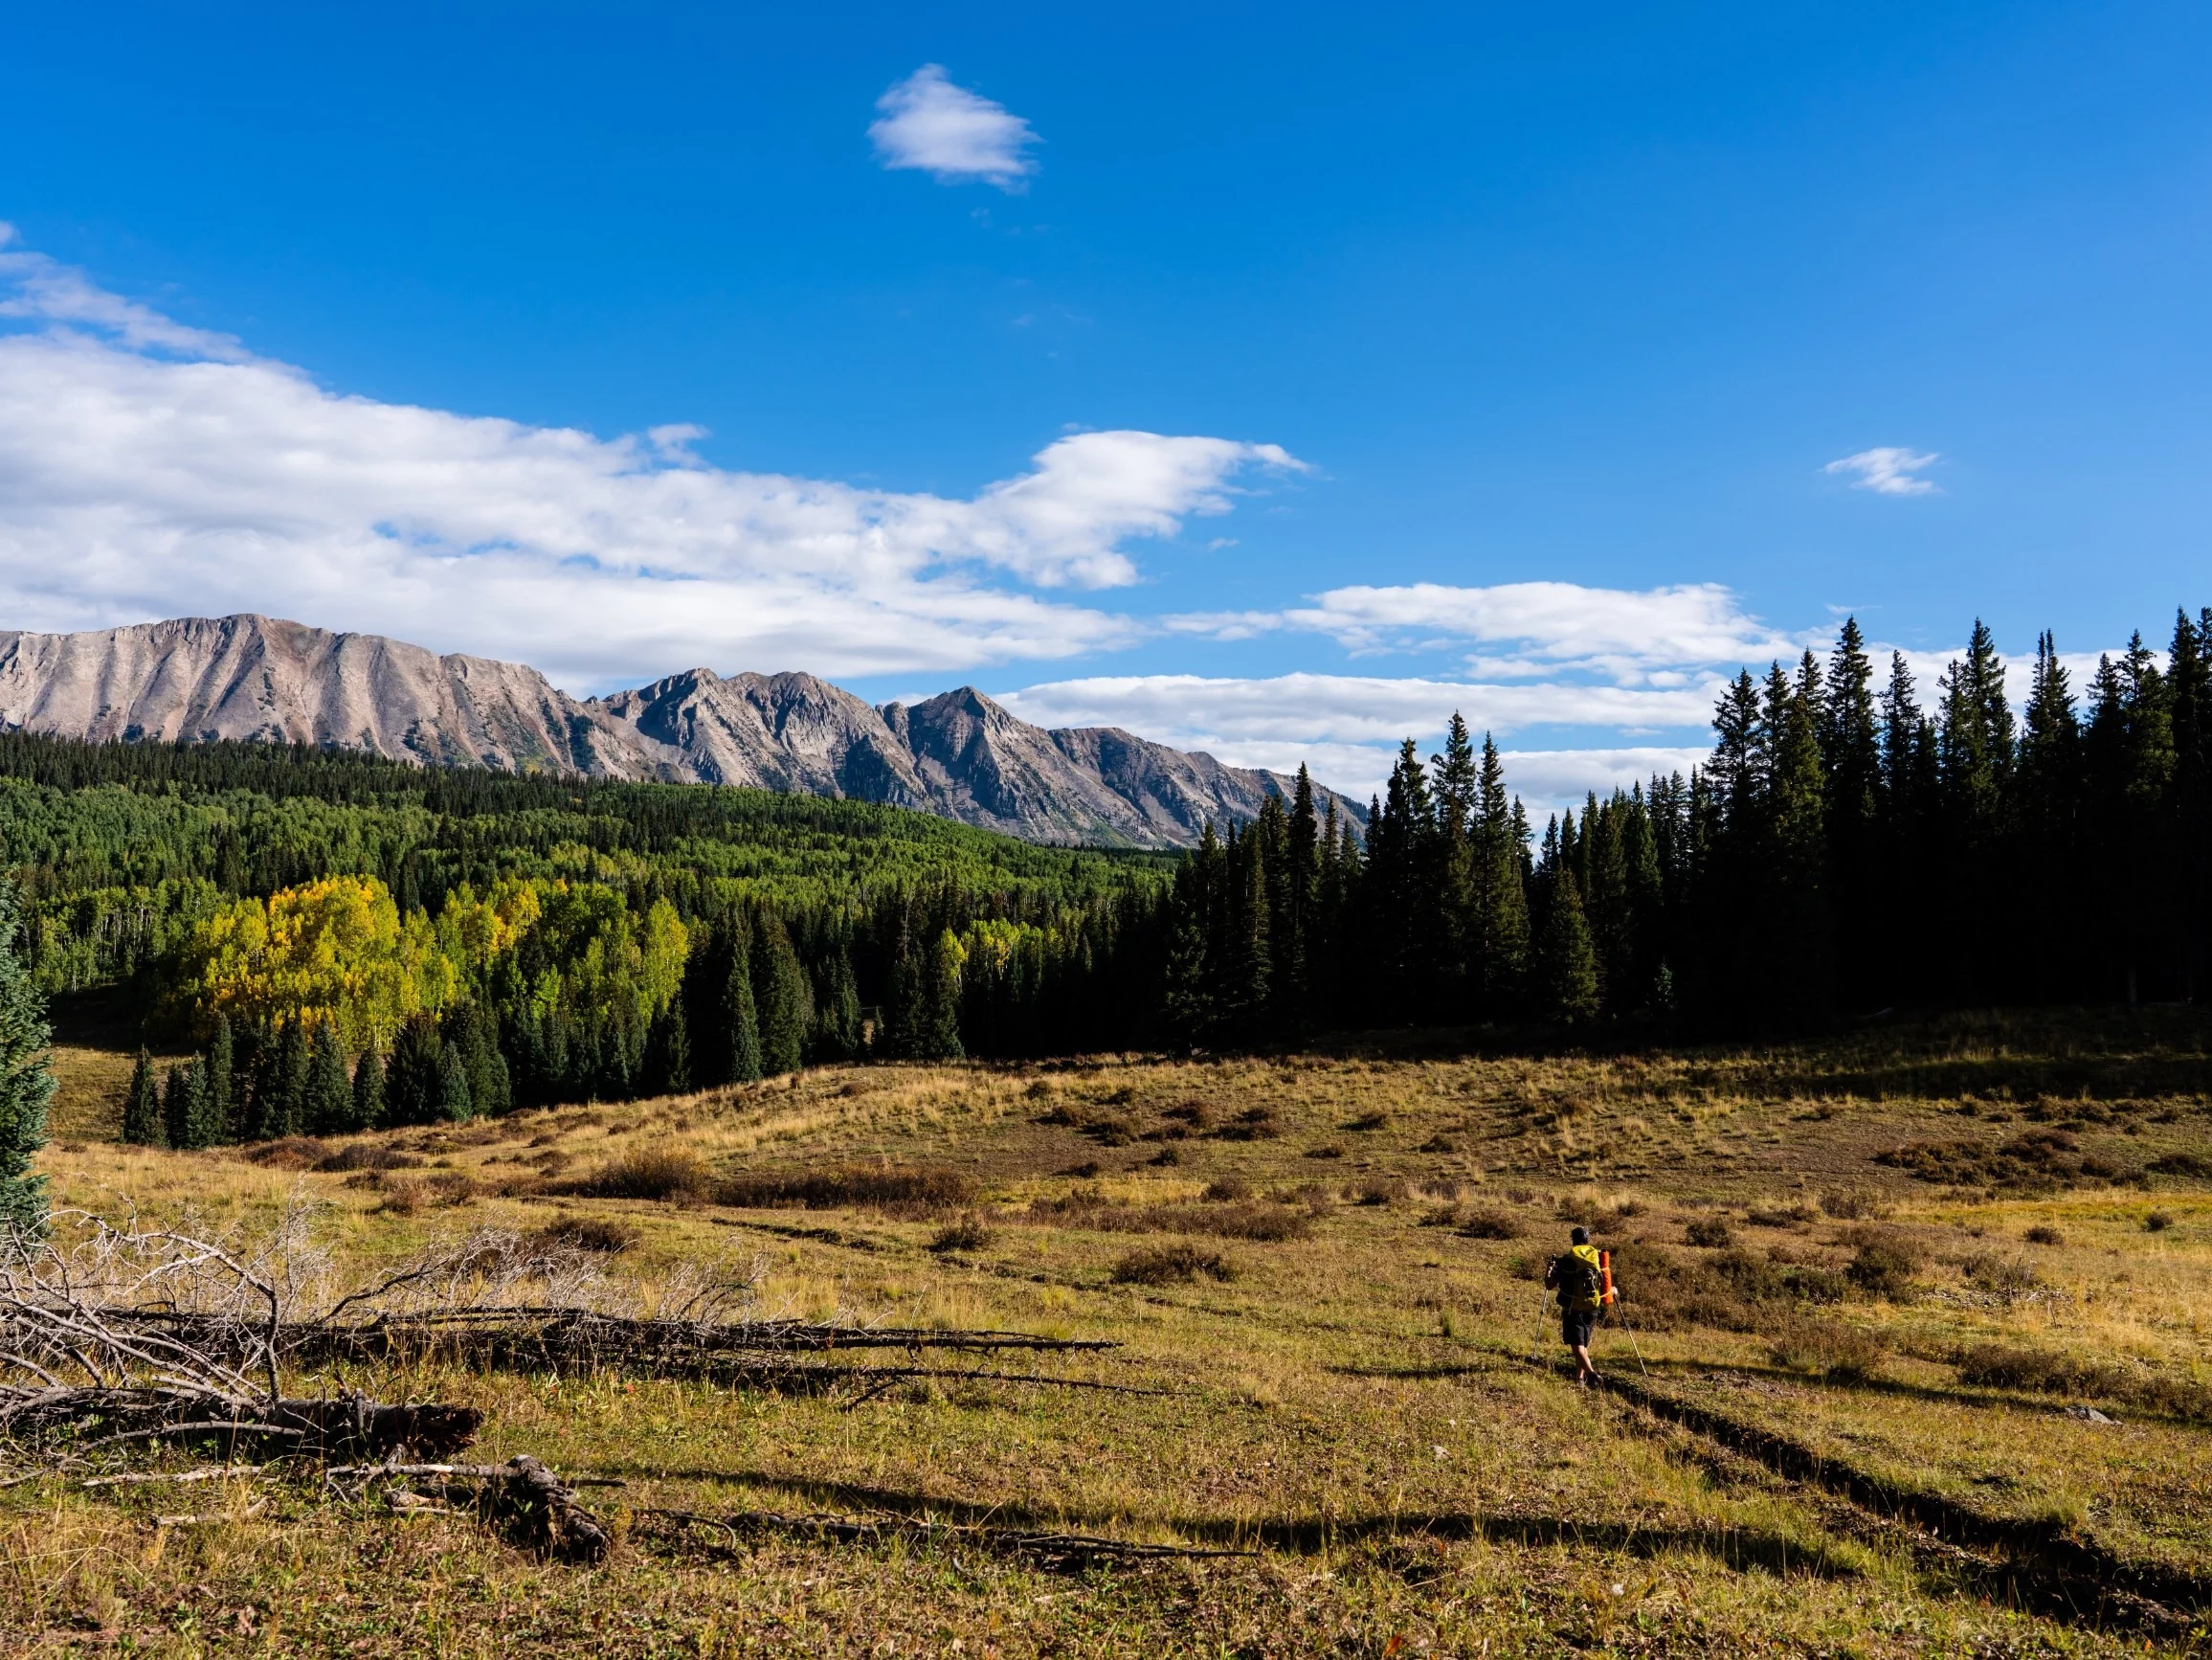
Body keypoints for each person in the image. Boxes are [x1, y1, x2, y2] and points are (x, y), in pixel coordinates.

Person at [1544, 1225, 1606, 1385]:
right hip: (1593, 1306)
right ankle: (1579, 1379)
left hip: (1573, 1308)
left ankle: (1591, 1374)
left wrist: (1549, 1270)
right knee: (1584, 1344)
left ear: (1573, 1240)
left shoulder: (1566, 1261)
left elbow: (1549, 1285)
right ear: (1588, 1240)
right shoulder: (1598, 1258)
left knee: (1577, 1347)